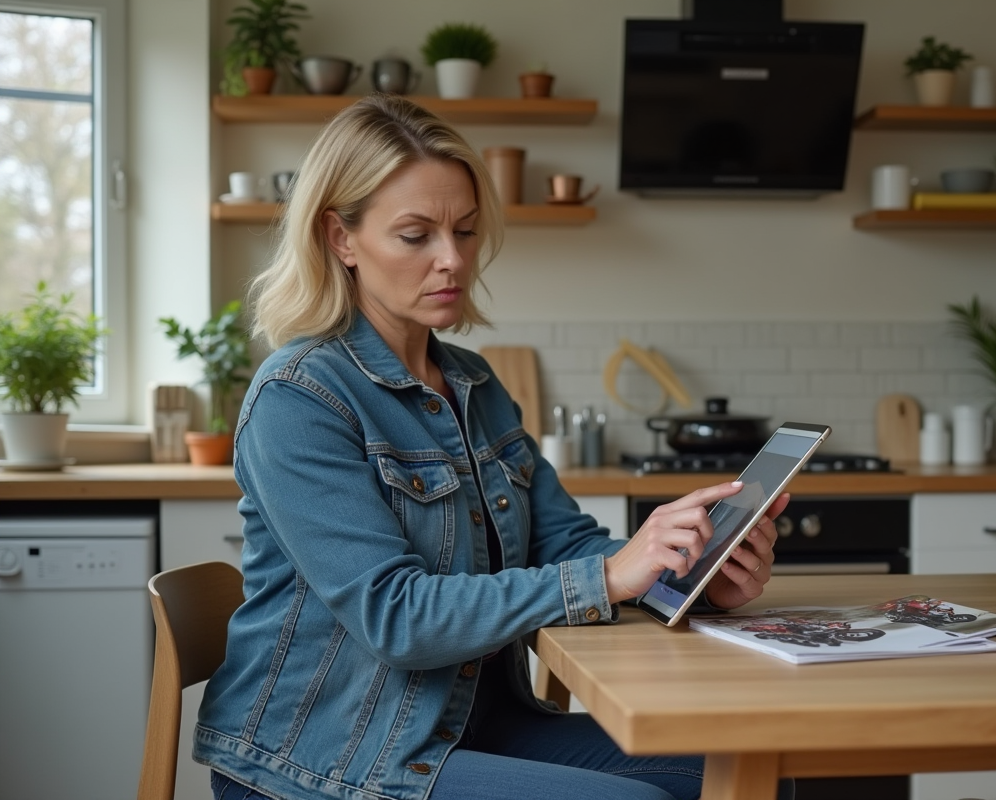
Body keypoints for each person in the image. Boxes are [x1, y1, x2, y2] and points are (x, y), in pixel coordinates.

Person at [195, 93, 795, 800]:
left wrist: (684, 573)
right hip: (331, 756)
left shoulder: (474, 385)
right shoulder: (298, 398)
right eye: (416, 236)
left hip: (472, 726)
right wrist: (610, 577)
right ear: (341, 238)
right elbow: (395, 616)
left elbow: (564, 543)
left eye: (467, 231)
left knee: (756, 773)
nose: (452, 260)